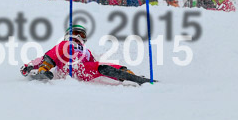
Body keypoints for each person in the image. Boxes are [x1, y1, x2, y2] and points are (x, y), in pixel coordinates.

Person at [20, 25, 152, 85]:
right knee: (61, 47)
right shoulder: (64, 44)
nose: (78, 37)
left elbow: (94, 63)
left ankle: (126, 73)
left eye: (81, 35)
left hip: (83, 70)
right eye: (75, 33)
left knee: (101, 65)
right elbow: (44, 57)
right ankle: (44, 69)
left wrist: (101, 67)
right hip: (66, 69)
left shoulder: (86, 51)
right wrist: (29, 66)